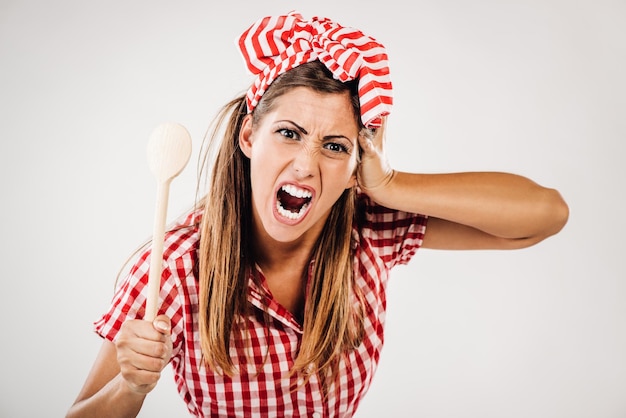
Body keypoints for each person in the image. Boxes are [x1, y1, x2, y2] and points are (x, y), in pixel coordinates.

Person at [66, 11, 569, 418]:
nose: (306, 166)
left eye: (334, 146)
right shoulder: (172, 270)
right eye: (288, 133)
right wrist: (131, 387)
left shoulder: (369, 226)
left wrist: (391, 184)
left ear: (356, 165)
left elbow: (545, 215)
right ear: (248, 137)